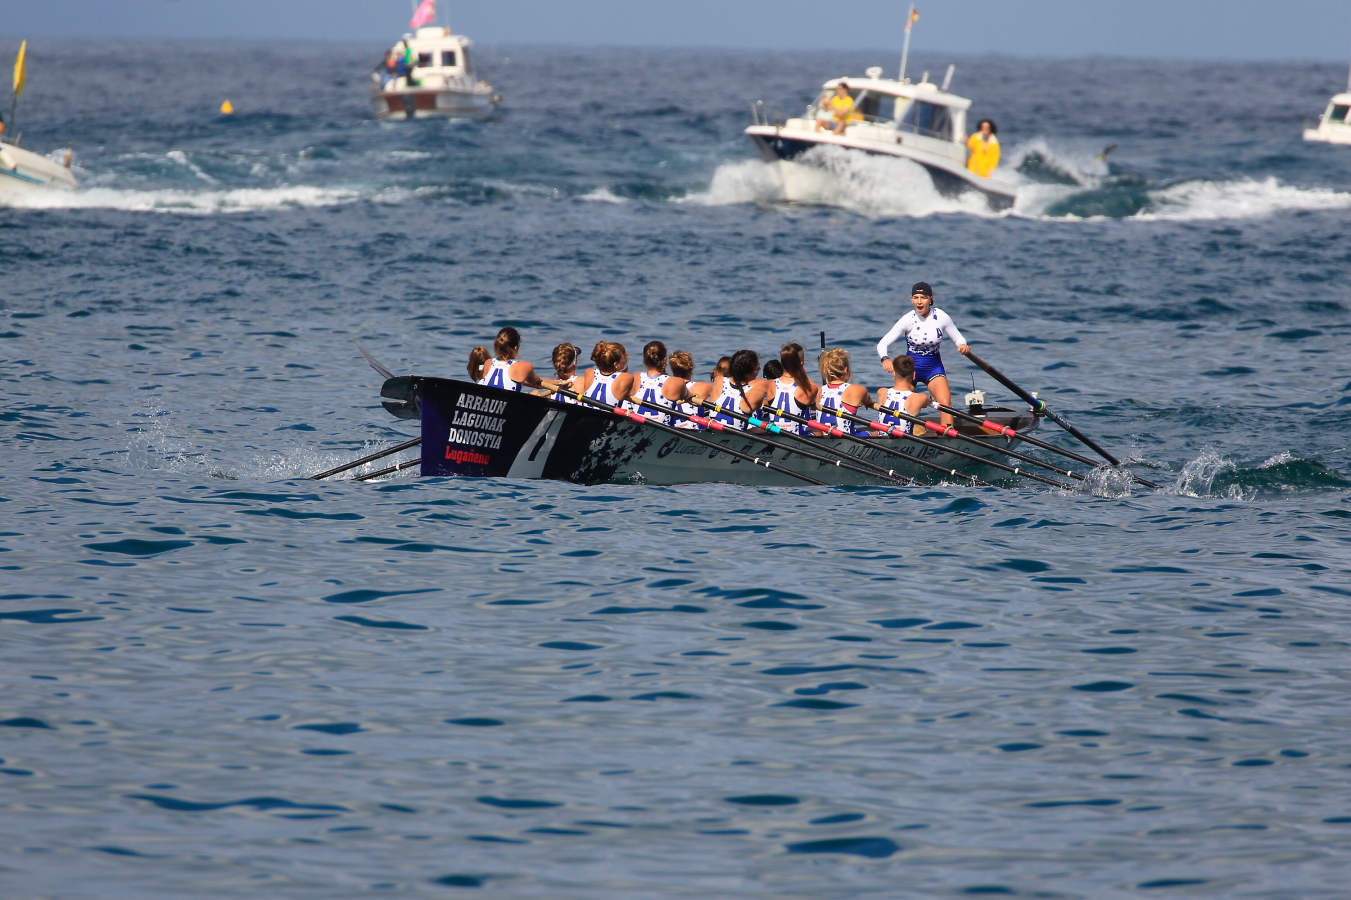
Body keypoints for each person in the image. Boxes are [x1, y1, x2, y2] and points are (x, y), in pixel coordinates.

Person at [875, 281, 969, 427]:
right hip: (910, 370)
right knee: (902, 404)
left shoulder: (942, 317)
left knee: (945, 405)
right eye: (916, 297)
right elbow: (882, 344)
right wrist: (885, 358)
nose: (919, 302)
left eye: (923, 297)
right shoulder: (907, 319)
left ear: (930, 299)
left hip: (934, 368)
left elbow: (958, 338)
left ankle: (948, 439)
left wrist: (962, 345)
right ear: (911, 299)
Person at [763, 342, 819, 435]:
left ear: (782, 363)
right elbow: (813, 401)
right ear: (801, 363)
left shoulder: (769, 384)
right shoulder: (810, 387)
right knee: (818, 432)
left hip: (774, 436)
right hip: (796, 439)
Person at [816, 348, 875, 435]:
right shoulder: (857, 389)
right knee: (875, 431)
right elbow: (869, 402)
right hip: (847, 440)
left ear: (826, 371)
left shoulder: (819, 390)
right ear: (845, 370)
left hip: (822, 440)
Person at [708, 349, 768, 429]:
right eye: (757, 369)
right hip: (736, 438)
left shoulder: (718, 380)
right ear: (748, 374)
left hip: (712, 433)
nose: (759, 369)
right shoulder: (756, 389)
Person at [876, 353, 931, 435]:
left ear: (894, 373)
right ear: (914, 375)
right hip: (905, 445)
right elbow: (928, 401)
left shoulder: (881, 392)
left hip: (881, 441)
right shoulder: (920, 398)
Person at [481, 326, 546, 392]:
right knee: (534, 393)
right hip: (506, 400)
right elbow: (537, 382)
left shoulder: (488, 363)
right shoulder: (524, 366)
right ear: (516, 348)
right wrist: (555, 383)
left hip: (485, 399)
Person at [572, 341, 633, 407]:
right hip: (607, 417)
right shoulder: (626, 377)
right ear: (616, 364)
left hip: (586, 415)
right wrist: (624, 367)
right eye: (624, 359)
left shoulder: (589, 372)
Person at [629, 340, 673, 423]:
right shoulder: (673, 381)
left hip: (634, 425)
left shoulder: (635, 376)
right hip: (660, 429)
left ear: (644, 360)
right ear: (664, 360)